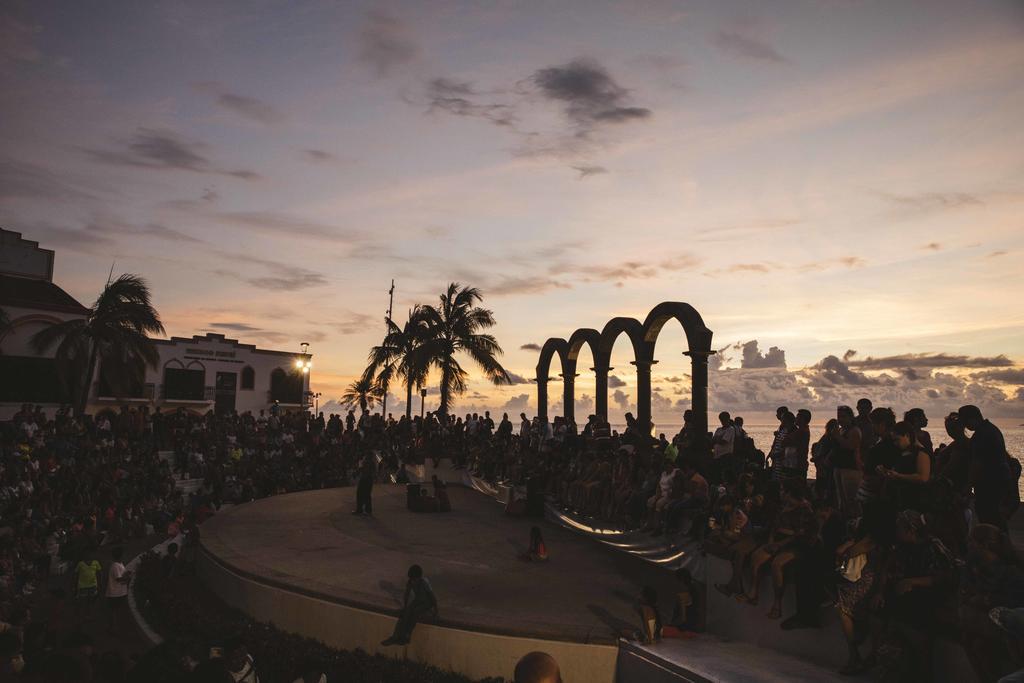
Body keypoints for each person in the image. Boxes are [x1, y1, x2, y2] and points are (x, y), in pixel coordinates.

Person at [960, 405, 1012, 530]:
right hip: (999, 481)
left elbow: (977, 463)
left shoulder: (981, 435)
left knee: (989, 517)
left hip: (989, 484)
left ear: (972, 419)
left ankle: (997, 545)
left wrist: (969, 486)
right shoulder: (991, 429)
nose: (965, 426)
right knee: (995, 518)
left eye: (965, 422)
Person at [381, 564, 439, 646]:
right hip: (417, 600)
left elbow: (432, 597)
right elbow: (407, 594)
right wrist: (405, 607)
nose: (413, 581)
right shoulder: (410, 581)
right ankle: (395, 637)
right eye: (411, 579)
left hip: (427, 603)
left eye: (414, 580)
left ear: (419, 578)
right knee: (405, 613)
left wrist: (436, 612)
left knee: (415, 612)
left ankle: (407, 636)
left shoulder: (424, 582)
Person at [105, 546, 131, 634]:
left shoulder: (119, 564)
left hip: (119, 592)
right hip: (115, 592)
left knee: (115, 611)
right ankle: (114, 628)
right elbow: (119, 579)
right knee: (114, 611)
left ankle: (114, 627)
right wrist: (127, 576)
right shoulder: (115, 566)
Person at [75, 552, 102, 618]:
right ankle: (83, 616)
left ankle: (89, 614)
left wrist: (100, 583)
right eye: (87, 554)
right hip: (82, 586)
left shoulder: (96, 562)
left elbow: (99, 573)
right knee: (83, 602)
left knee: (92, 601)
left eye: (90, 554)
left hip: (93, 585)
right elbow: (76, 574)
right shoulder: (80, 564)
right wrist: (74, 585)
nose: (89, 555)